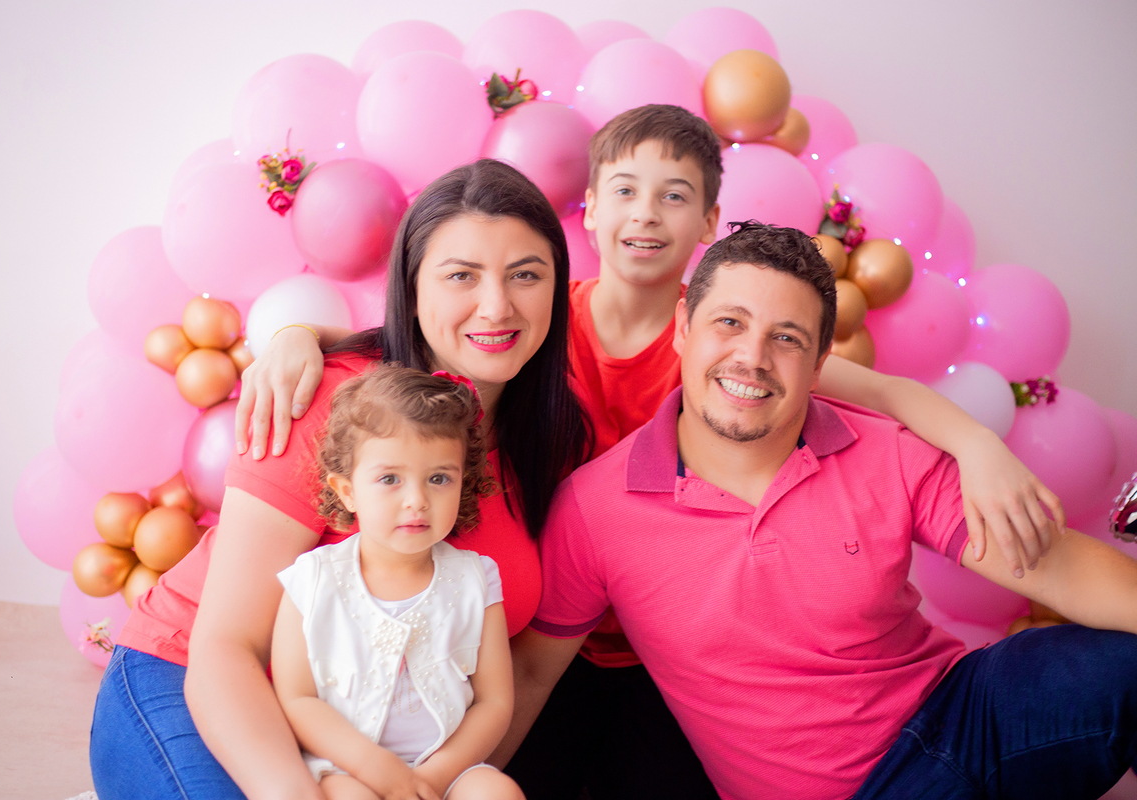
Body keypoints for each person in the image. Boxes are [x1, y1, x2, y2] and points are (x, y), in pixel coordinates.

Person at [239, 106, 1065, 798]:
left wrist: (976, 442)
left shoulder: (721, 349)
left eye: (675, 197)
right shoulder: (533, 323)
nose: (646, 215)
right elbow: (417, 340)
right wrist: (298, 333)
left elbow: (876, 391)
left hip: (680, 654)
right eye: (626, 191)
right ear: (591, 211)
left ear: (708, 221)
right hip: (548, 633)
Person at [500, 221, 1137, 800]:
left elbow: (1061, 568)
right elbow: (529, 675)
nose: (752, 357)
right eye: (729, 323)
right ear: (683, 327)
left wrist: (977, 444)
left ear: (819, 362)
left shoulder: (884, 449)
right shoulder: (594, 508)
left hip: (962, 716)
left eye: (786, 338)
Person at [89, 159, 588, 800]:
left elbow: (507, 682)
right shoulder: (329, 398)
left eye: (526, 274)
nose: (496, 306)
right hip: (197, 683)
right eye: (461, 275)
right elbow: (226, 650)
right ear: (412, 287)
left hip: (381, 749)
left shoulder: (553, 441)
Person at [271, 366, 524, 800]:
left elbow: (495, 702)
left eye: (439, 478)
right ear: (348, 491)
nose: (416, 500)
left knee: (497, 793)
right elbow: (297, 698)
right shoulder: (313, 580)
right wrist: (376, 769)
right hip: (346, 770)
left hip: (444, 769)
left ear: (462, 483)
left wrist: (433, 777)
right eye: (390, 479)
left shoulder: (475, 580)